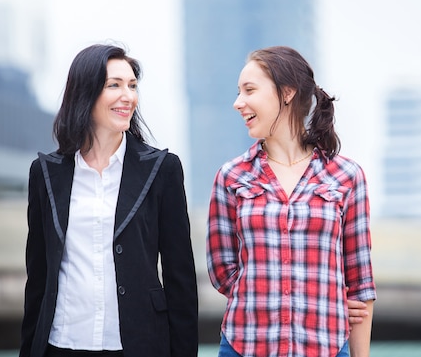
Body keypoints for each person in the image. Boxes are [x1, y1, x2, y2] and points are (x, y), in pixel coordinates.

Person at [20, 44, 198, 357]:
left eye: (132, 85)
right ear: (85, 93)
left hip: (137, 345)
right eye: (113, 85)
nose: (127, 96)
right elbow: (38, 277)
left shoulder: (162, 170)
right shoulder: (46, 173)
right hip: (61, 343)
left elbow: (180, 278)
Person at [206, 45, 376, 357]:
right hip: (245, 346)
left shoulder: (346, 176)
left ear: (286, 93)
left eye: (249, 90)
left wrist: (329, 298)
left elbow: (360, 282)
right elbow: (222, 269)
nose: (238, 103)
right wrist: (270, 293)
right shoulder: (231, 177)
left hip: (325, 345)